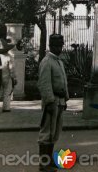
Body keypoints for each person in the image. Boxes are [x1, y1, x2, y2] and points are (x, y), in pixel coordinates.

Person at [37, 34, 69, 172]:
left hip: (60, 101)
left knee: (54, 133)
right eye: (56, 45)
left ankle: (49, 161)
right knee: (47, 133)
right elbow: (44, 84)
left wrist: (65, 99)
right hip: (52, 101)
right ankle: (44, 164)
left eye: (60, 45)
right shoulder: (47, 61)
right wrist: (49, 102)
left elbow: (63, 81)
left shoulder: (59, 62)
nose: (59, 48)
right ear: (50, 46)